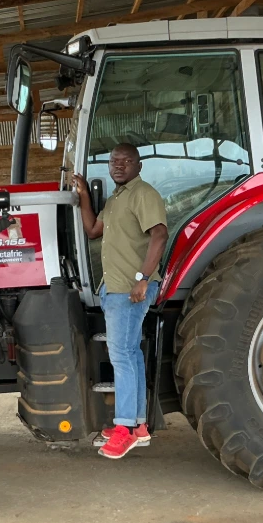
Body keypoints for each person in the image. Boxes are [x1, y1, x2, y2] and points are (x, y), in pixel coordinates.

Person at [73, 143, 168, 460]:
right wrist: (84, 195)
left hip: (130, 290)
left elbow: (159, 234)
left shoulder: (143, 193)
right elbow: (92, 230)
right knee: (131, 354)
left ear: (138, 166)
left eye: (126, 161)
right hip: (113, 288)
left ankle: (124, 429)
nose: (119, 165)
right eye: (114, 161)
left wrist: (142, 279)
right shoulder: (116, 200)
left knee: (121, 356)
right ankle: (138, 426)